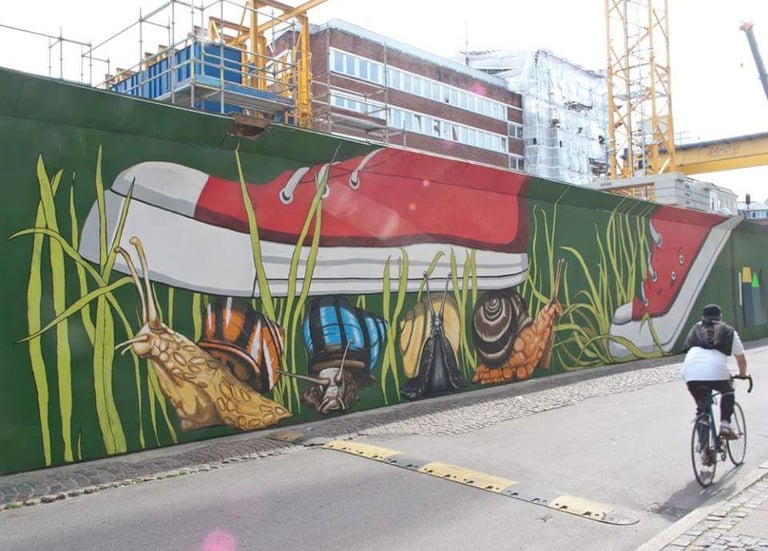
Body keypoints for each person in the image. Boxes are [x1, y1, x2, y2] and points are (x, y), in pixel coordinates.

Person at [681, 304, 748, 445]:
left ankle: (705, 452)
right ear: (721, 317)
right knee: (728, 391)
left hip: (691, 373)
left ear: (702, 318)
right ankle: (725, 424)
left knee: (702, 410)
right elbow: (741, 359)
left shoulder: (695, 329)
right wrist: (742, 374)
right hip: (716, 371)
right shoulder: (729, 331)